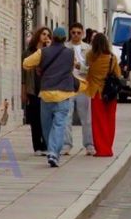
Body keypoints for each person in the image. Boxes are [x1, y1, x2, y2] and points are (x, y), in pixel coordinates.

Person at [22, 27, 78, 168]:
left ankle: (51, 151)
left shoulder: (43, 52)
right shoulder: (70, 53)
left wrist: (39, 65)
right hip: (64, 94)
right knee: (59, 125)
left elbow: (26, 63)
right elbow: (73, 66)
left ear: (52, 38)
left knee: (46, 126)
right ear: (65, 39)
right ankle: (54, 152)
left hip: (46, 94)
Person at [84, 33, 123, 157]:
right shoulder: (112, 58)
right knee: (110, 121)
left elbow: (87, 68)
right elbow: (118, 74)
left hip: (96, 93)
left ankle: (101, 149)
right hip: (110, 93)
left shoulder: (90, 56)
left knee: (98, 122)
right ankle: (108, 147)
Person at [65, 23, 95, 156]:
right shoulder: (65, 47)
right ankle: (66, 144)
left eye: (78, 32)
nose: (76, 35)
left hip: (83, 84)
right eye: (73, 32)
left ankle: (89, 144)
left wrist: (80, 67)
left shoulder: (88, 49)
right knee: (67, 116)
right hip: (68, 84)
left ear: (82, 34)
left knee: (86, 117)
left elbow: (92, 68)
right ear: (70, 33)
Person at [22, 27, 53, 155]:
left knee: (46, 119)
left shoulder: (49, 52)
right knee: (35, 119)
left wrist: (50, 49)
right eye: (43, 34)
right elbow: (24, 74)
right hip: (33, 88)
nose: (46, 37)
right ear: (38, 35)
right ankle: (37, 147)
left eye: (48, 35)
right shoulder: (28, 52)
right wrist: (23, 91)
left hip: (46, 89)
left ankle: (46, 145)